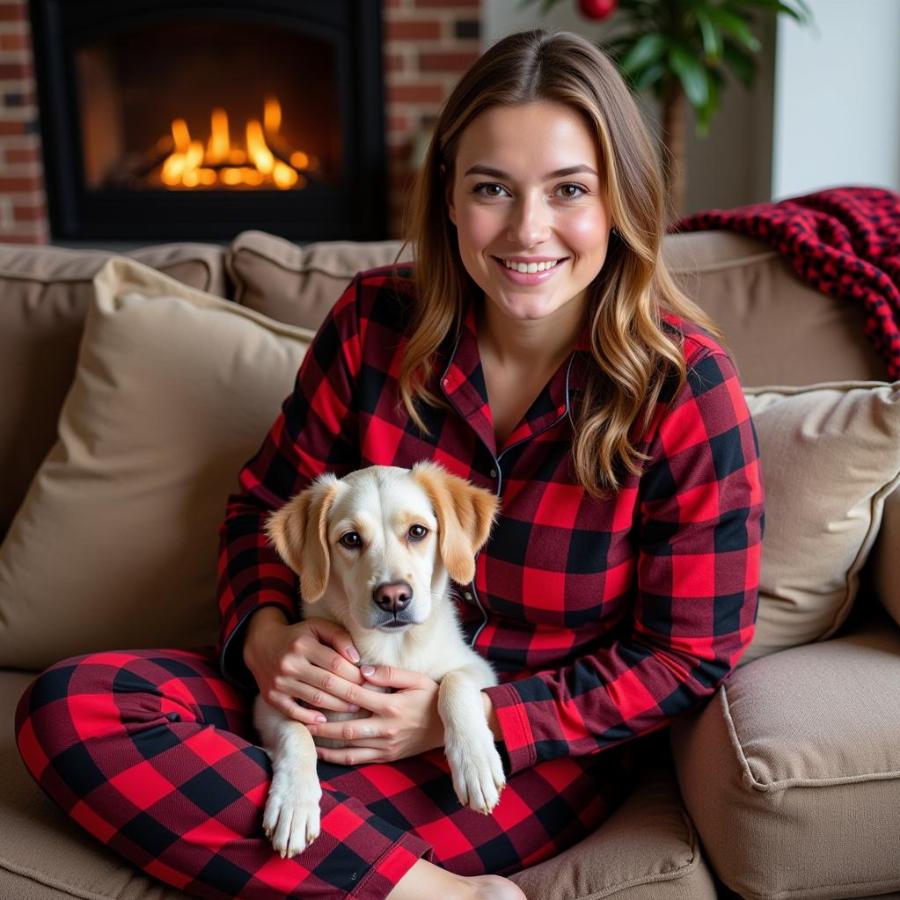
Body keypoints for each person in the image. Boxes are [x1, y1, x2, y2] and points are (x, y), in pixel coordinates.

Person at [16, 28, 764, 900]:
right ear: (448, 196)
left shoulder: (685, 389)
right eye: (492, 188)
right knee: (70, 707)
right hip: (322, 694)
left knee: (279, 807)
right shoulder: (376, 324)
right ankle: (438, 895)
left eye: (569, 190)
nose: (529, 230)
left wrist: (470, 719)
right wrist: (266, 641)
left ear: (620, 203)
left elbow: (688, 654)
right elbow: (260, 505)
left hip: (522, 752)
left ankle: (342, 866)